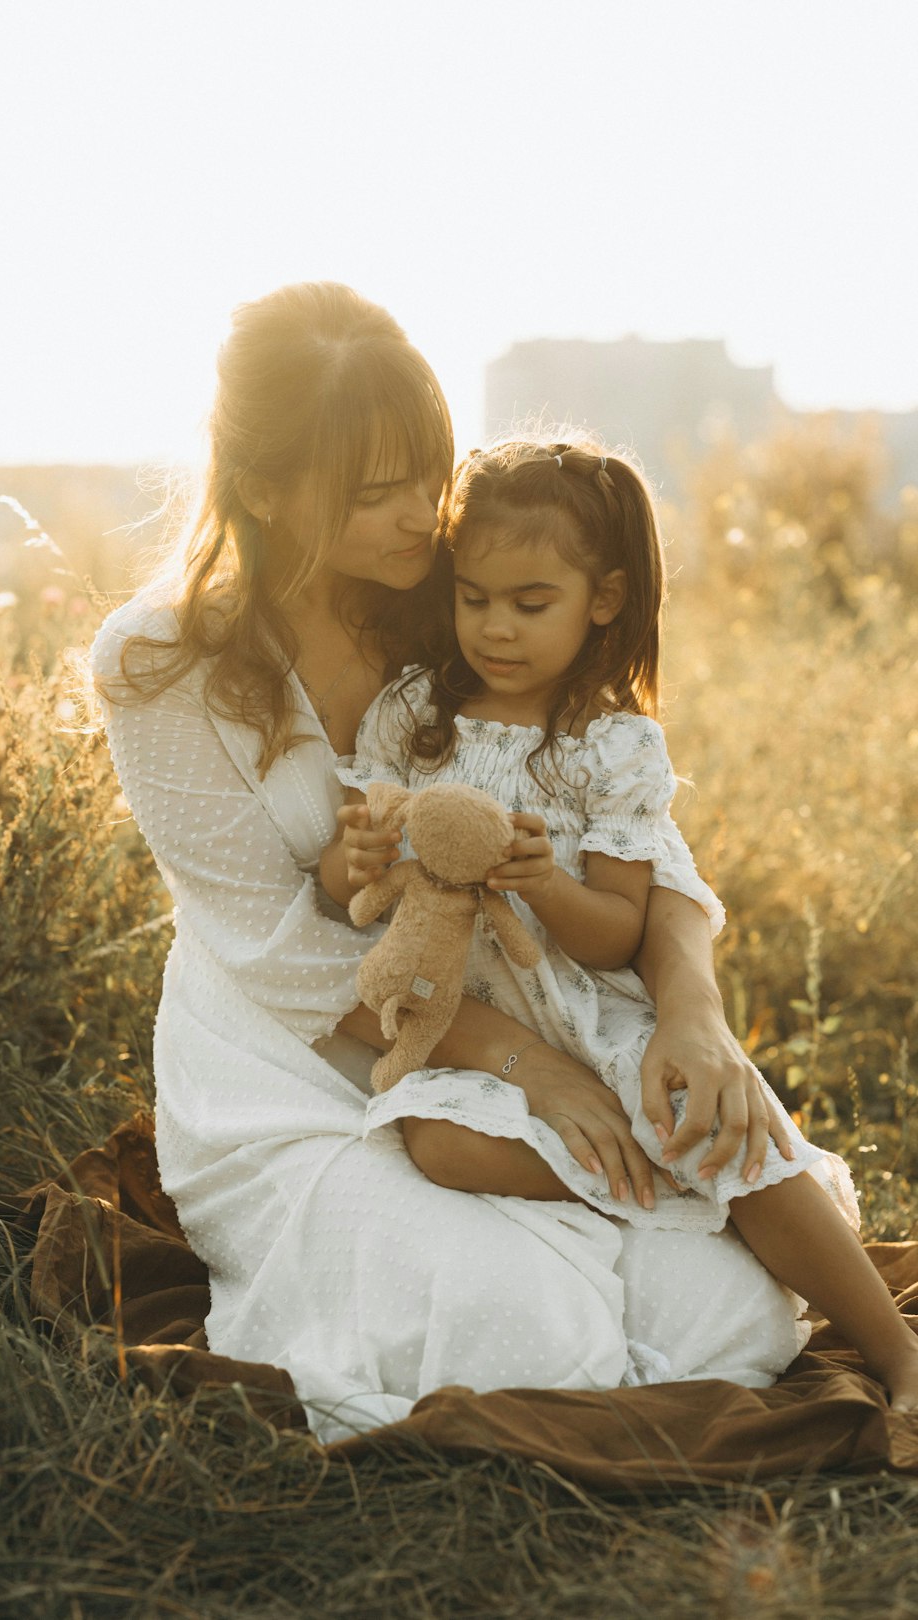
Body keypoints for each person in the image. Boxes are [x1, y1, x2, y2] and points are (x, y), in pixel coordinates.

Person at [91, 282, 837, 1442]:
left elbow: (639, 828)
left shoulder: (457, 590)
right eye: (372, 493)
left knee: (731, 1322)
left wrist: (694, 1014)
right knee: (528, 1332)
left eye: (425, 476)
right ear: (265, 489)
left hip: (516, 997)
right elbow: (272, 951)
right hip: (299, 1050)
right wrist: (527, 1068)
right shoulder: (156, 661)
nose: (415, 519)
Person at [320, 435, 918, 1410]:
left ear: (600, 598)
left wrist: (545, 883)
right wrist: (350, 857)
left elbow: (615, 932)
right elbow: (348, 865)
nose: (495, 629)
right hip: (474, 1024)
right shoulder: (411, 714)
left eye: (530, 603)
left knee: (735, 1139)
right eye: (474, 597)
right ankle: (673, 1184)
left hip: (595, 1014)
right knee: (438, 1145)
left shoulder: (614, 744)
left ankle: (896, 1352)